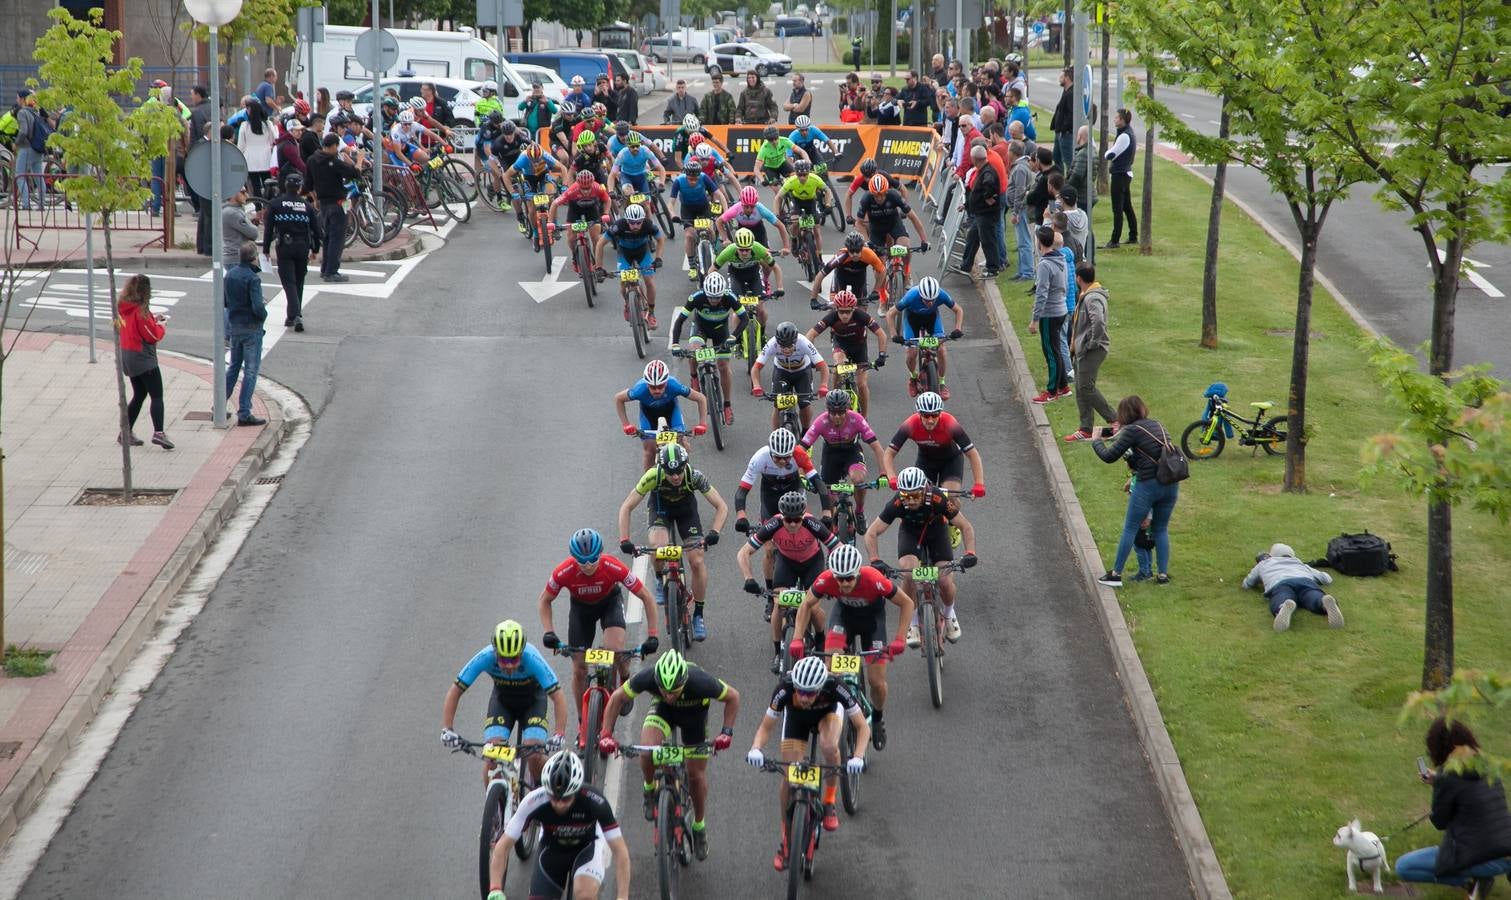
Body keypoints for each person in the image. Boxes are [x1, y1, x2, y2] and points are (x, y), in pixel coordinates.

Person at [598, 651, 740, 855]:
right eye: (664, 690)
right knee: (647, 751)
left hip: (695, 719)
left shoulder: (700, 681)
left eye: (674, 691)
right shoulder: (649, 677)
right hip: (663, 713)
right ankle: (649, 788)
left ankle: (699, 827)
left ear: (684, 681)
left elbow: (733, 697)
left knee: (696, 776)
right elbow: (618, 697)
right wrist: (606, 734)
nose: (669, 695)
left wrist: (726, 733)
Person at [745, 655, 869, 862]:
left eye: (810, 693)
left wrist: (858, 756)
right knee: (789, 775)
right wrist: (755, 749)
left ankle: (829, 802)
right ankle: (786, 838)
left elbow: (862, 727)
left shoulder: (835, 686)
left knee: (829, 746)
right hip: (796, 720)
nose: (803, 697)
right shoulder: (785, 687)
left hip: (827, 716)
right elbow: (766, 726)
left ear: (821, 687)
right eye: (800, 691)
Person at [537, 528, 660, 734]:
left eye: (593, 559)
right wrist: (549, 632)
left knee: (614, 649)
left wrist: (653, 634)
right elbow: (544, 601)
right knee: (579, 668)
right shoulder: (563, 571)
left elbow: (646, 596)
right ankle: (583, 723)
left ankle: (624, 676)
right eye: (581, 561)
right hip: (581, 611)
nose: (587, 565)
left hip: (609, 604)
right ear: (573, 558)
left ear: (600, 554)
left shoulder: (612, 566)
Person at [790, 544, 913, 749]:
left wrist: (900, 638)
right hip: (843, 618)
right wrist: (796, 638)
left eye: (849, 578)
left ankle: (876, 719)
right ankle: (829, 711)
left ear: (857, 573)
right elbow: (805, 604)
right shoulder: (827, 579)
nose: (844, 583)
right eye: (839, 578)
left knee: (877, 682)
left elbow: (907, 603)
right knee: (832, 668)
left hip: (872, 623)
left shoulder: (874, 579)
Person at [615, 438, 729, 637]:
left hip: (687, 513)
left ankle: (699, 615)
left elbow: (721, 506)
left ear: (686, 466)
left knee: (697, 560)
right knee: (658, 546)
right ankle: (660, 579)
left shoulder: (694, 476)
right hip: (661, 511)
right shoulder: (653, 475)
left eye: (679, 471)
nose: (675, 476)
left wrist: (714, 533)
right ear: (662, 469)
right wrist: (624, 539)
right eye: (670, 472)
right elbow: (626, 506)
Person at [483, 750, 633, 900]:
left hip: (586, 849)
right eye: (554, 798)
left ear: (576, 791)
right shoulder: (534, 801)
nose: (560, 804)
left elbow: (620, 851)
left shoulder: (595, 801)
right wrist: (495, 889)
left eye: (566, 799)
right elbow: (502, 847)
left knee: (584, 895)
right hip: (552, 850)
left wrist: (622, 896)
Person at [440, 620, 568, 786]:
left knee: (534, 755)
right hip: (503, 703)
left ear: (522, 653)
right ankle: (493, 807)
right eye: (503, 659)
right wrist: (447, 729)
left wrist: (559, 734)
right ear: (495, 652)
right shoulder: (486, 656)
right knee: (492, 757)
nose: (508, 665)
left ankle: (545, 792)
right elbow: (456, 690)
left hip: (533, 703)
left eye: (514, 659)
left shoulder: (532, 658)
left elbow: (558, 697)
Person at [1396, 718, 1511, 896]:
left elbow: (1439, 821)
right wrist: (1441, 782)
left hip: (1478, 856)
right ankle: (1482, 876)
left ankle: (1470, 881)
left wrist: (1440, 785)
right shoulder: (1487, 765)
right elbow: (1472, 795)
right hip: (1505, 855)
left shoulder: (1447, 776)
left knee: (1403, 867)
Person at [863, 466, 977, 643]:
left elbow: (965, 526)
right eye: (906, 496)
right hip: (910, 533)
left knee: (945, 579)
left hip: (937, 532)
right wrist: (874, 559)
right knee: (908, 573)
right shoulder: (898, 502)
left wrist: (970, 552)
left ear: (925, 490)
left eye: (915, 495)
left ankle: (949, 614)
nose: (910, 501)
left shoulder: (938, 497)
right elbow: (872, 532)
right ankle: (913, 622)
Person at [738, 489, 841, 668]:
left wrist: (835, 575)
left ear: (803, 516)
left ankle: (820, 637)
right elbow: (743, 552)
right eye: (788, 520)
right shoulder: (773, 524)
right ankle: (778, 651)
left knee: (814, 607)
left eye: (797, 520)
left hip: (812, 563)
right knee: (779, 604)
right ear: (782, 516)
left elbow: (838, 547)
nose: (792, 524)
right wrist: (749, 579)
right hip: (787, 563)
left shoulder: (813, 523)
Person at [1092, 395, 1179, 587]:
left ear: (1124, 414)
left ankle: (1115, 574)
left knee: (1130, 527)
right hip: (1171, 483)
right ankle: (1162, 575)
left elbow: (1109, 456)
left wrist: (1097, 441)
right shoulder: (1156, 424)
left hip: (1148, 485)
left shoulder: (1131, 430)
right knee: (1161, 529)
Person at [668, 273, 748, 427]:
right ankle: (694, 378)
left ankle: (727, 405)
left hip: (721, 331)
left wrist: (733, 337)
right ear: (705, 293)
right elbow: (679, 321)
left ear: (722, 293)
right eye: (710, 297)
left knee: (723, 366)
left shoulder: (729, 297)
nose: (713, 301)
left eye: (717, 298)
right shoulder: (696, 298)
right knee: (693, 350)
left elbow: (744, 319)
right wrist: (676, 344)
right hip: (700, 329)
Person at [881, 391, 986, 496]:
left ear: (940, 413)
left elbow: (972, 454)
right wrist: (892, 477)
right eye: (926, 415)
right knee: (918, 497)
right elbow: (889, 453)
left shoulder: (950, 423)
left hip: (950, 462)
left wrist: (979, 483)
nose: (930, 420)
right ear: (919, 413)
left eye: (935, 415)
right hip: (926, 462)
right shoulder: (910, 424)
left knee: (950, 500)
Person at [115, 275, 174, 450]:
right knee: (157, 395)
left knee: (139, 394)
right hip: (143, 358)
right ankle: (159, 433)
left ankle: (125, 432)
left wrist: (153, 320)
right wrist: (161, 326)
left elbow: (137, 327)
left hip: (128, 355)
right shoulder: (141, 312)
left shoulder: (123, 307)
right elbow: (152, 336)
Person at [614, 358, 709, 468]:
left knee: (682, 446)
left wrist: (703, 424)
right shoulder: (639, 389)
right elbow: (618, 399)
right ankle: (649, 485)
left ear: (666, 383)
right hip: (648, 414)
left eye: (660, 386)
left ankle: (685, 476)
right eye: (653, 387)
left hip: (671, 410)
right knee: (649, 451)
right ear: (647, 384)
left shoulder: (674, 385)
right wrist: (626, 425)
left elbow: (701, 398)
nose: (657, 390)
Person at [807, 289, 887, 415]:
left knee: (862, 385)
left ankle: (864, 419)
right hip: (841, 345)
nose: (845, 315)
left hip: (859, 347)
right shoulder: (832, 317)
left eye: (848, 312)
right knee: (839, 365)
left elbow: (881, 334)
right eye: (841, 312)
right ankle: (834, 399)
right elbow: (810, 335)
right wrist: (811, 358)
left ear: (853, 309)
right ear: (836, 309)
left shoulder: (861, 315)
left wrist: (881, 355)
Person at [1064, 262, 1118, 442]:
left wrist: (1092, 343)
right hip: (1082, 349)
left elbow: (1099, 322)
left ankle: (1115, 419)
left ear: (1078, 278)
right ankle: (1085, 428)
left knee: (1086, 387)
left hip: (1091, 350)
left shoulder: (1092, 298)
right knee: (1080, 388)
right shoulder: (1087, 294)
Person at [887, 277, 964, 401]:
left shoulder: (941, 294)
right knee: (911, 353)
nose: (930, 303)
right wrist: (894, 335)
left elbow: (958, 310)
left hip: (932, 319)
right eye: (926, 300)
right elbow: (890, 314)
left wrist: (958, 329)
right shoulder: (911, 296)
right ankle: (913, 377)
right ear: (920, 295)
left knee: (942, 350)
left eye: (932, 300)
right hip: (912, 319)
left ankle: (942, 383)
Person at [261, 172, 320, 333]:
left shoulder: (275, 204)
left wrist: (266, 249)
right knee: (299, 281)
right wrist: (315, 249)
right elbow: (316, 229)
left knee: (289, 282)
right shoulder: (306, 206)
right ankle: (292, 315)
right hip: (303, 246)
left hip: (285, 246)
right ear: (300, 188)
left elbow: (268, 229)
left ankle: (295, 314)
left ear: (285, 186)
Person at [1242, 544, 1344, 631]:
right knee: (1312, 595)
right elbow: (1326, 578)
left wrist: (1260, 580)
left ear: (1271, 555)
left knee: (1281, 596)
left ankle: (1282, 607)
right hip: (1305, 581)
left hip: (1281, 583)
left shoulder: (1264, 563)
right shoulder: (1299, 563)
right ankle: (1323, 602)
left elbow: (1247, 583)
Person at [751, 321, 829, 432]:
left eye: (790, 346)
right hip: (782, 372)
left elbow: (823, 366)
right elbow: (756, 367)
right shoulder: (772, 343)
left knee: (804, 404)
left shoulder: (803, 342)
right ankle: (775, 437)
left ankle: (805, 433)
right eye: (782, 346)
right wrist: (756, 385)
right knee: (778, 405)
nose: (786, 349)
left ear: (795, 341)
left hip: (802, 372)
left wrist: (823, 385)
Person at [597, 204, 666, 328]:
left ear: (643, 220)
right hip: (624, 253)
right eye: (632, 223)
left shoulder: (648, 225)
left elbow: (661, 240)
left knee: (649, 281)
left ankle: (651, 313)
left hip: (642, 252)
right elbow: (600, 244)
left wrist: (658, 258)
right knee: (624, 283)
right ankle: (628, 303)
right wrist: (599, 268)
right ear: (626, 220)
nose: (635, 226)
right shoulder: (618, 226)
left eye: (638, 223)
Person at [223, 242, 268, 427]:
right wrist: (263, 313)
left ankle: (218, 404)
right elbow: (257, 307)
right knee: (250, 371)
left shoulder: (231, 275)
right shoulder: (253, 279)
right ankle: (244, 411)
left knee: (233, 367)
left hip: (235, 326)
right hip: (251, 328)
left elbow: (226, 301)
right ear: (253, 257)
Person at [308, 133, 361, 282]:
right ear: (332, 146)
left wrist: (316, 198)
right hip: (338, 203)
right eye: (337, 147)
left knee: (328, 237)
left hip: (324, 204)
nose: (338, 150)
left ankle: (325, 269)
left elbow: (308, 184)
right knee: (337, 238)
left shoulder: (312, 160)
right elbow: (355, 173)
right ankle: (331, 271)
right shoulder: (333, 161)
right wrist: (360, 160)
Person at [1028, 226, 1070, 404]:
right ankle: (1063, 386)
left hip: (1050, 314)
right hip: (1061, 310)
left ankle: (1052, 391)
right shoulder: (1061, 259)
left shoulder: (1044, 265)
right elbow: (1065, 286)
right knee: (1057, 349)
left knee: (1050, 352)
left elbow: (1041, 293)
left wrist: (1035, 320)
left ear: (1039, 243)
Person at [960, 144, 1004, 278]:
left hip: (986, 214)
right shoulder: (983, 170)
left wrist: (988, 196)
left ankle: (992, 268)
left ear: (974, 159)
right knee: (972, 238)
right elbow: (976, 191)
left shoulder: (987, 172)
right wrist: (967, 205)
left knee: (988, 240)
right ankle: (966, 265)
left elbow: (989, 184)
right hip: (979, 213)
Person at [1103, 108, 1138, 248]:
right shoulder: (1126, 133)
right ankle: (1133, 235)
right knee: (1126, 206)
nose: (1114, 119)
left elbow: (1111, 154)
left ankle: (1115, 240)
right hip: (1124, 173)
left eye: (1117, 117)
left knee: (1117, 208)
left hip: (1120, 174)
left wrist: (1106, 153)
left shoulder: (1124, 136)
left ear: (1122, 120)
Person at [13, 90, 49, 210]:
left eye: (18, 98)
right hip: (38, 148)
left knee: (20, 175)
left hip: (27, 148)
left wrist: (16, 143)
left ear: (23, 99)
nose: (17, 100)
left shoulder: (22, 112)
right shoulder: (35, 112)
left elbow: (24, 131)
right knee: (39, 177)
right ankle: (42, 205)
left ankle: (26, 205)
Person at [236, 98, 275, 197]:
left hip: (250, 159)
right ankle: (268, 205)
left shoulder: (244, 126)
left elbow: (241, 145)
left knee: (255, 185)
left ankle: (258, 208)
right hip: (266, 158)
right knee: (268, 184)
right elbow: (273, 140)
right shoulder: (268, 124)